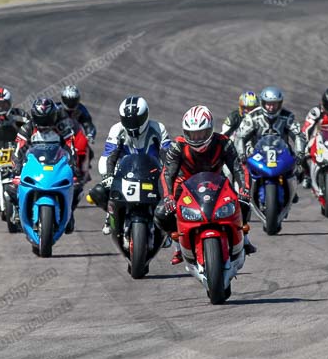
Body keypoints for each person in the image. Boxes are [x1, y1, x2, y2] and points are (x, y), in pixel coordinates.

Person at [155, 105, 256, 265]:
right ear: (185, 132)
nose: (197, 138)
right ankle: (178, 245)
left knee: (242, 202)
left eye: (201, 133)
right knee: (161, 213)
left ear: (210, 129)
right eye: (192, 134)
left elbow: (238, 167)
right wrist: (168, 197)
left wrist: (244, 188)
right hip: (185, 187)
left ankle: (244, 238)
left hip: (216, 184)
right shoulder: (178, 146)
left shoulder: (224, 143)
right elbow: (167, 173)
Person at [87, 96, 171, 235]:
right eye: (128, 120)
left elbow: (167, 155)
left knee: (174, 195)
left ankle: (166, 228)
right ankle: (111, 213)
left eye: (136, 120)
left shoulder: (158, 128)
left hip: (153, 175)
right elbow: (109, 154)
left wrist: (168, 174)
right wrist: (108, 175)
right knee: (97, 192)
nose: (132, 124)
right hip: (126, 174)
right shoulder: (117, 129)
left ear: (145, 116)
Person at [10, 97, 82, 233]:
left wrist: (72, 165)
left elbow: (70, 148)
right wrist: (17, 169)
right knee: (12, 187)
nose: (44, 123)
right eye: (40, 118)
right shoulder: (27, 128)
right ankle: (18, 210)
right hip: (32, 166)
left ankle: (69, 213)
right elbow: (18, 150)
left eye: (47, 118)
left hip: (56, 165)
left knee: (77, 186)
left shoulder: (62, 128)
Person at [235, 87, 306, 203]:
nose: (271, 107)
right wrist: (241, 154)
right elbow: (240, 136)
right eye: (268, 104)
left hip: (281, 152)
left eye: (274, 104)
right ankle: (246, 190)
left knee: (299, 169)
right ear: (263, 103)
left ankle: (292, 190)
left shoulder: (287, 116)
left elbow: (298, 134)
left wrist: (300, 153)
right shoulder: (252, 117)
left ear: (280, 104)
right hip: (257, 153)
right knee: (242, 169)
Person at [59, 85, 96, 178]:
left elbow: (88, 123)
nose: (70, 103)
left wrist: (90, 134)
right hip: (59, 137)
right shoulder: (57, 108)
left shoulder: (81, 109)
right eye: (68, 100)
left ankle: (83, 171)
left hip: (75, 137)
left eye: (73, 100)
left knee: (89, 151)